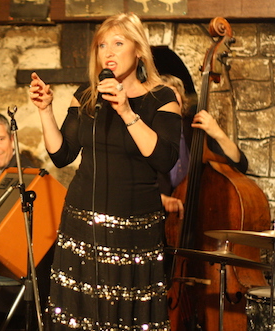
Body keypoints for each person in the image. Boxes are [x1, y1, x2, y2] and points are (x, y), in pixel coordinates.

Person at [29, 13, 181, 330]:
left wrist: (126, 111)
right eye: (101, 45)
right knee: (80, 317)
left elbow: (164, 158)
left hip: (135, 228)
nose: (108, 52)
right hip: (83, 224)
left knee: (128, 318)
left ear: (138, 50)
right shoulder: (87, 95)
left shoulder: (162, 97)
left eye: (117, 43)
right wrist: (45, 111)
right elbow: (62, 154)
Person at [159, 74, 248, 220]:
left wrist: (217, 133)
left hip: (200, 213)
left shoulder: (196, 128)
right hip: (160, 217)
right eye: (163, 96)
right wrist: (162, 199)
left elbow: (240, 165)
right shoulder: (145, 133)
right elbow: (133, 184)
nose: (170, 100)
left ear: (182, 99)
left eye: (174, 94)